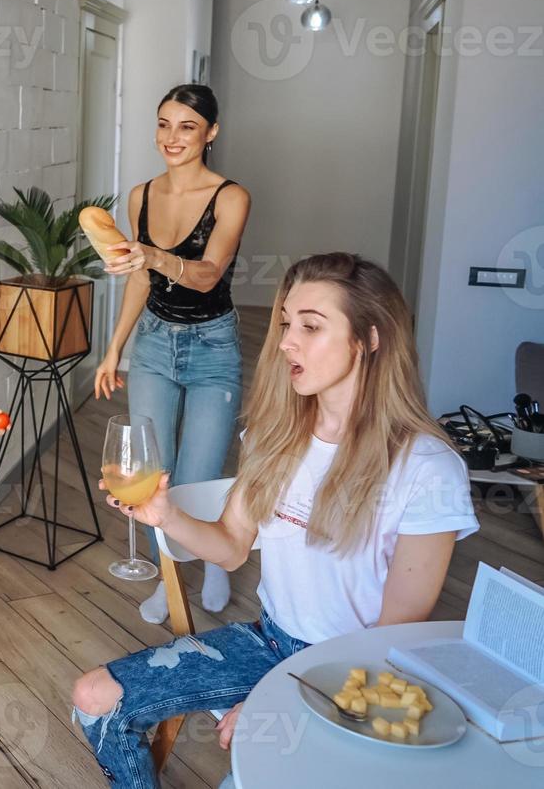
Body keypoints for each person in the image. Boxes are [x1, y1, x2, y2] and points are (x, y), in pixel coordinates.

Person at [71, 253, 478, 788]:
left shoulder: (427, 469)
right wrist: (164, 515)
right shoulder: (276, 435)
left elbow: (393, 637)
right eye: (287, 323)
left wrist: (288, 701)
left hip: (356, 675)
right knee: (94, 700)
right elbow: (232, 546)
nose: (286, 340)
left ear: (370, 338)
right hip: (269, 642)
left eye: (311, 326)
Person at [94, 84, 251, 624]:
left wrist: (154, 255)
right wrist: (114, 349)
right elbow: (140, 281)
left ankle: (217, 558)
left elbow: (207, 276)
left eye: (186, 126)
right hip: (156, 344)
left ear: (211, 132)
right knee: (152, 474)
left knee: (198, 478)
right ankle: (168, 580)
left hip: (213, 347)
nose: (172, 137)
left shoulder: (230, 197)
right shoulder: (139, 195)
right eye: (163, 124)